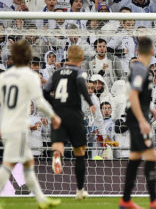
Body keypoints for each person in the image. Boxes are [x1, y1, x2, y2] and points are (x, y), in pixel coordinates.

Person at [0, 39, 61, 209]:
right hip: (19, 128)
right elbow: (40, 102)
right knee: (8, 165)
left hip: (7, 127)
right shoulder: (30, 76)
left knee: (28, 163)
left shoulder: (4, 76)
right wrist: (54, 116)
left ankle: (42, 200)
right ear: (28, 57)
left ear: (12, 57)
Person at [119, 37, 156, 209]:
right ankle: (153, 200)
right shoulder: (140, 70)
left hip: (137, 115)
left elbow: (137, 95)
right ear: (152, 51)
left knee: (135, 157)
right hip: (137, 118)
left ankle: (126, 200)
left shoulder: (139, 69)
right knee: (151, 155)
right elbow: (133, 95)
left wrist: (150, 108)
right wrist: (142, 120)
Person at [43, 45, 96, 200]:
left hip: (58, 113)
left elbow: (45, 91)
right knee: (80, 153)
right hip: (74, 113)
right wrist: (90, 102)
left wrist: (53, 104)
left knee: (58, 143)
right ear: (81, 59)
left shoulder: (57, 73)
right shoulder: (79, 72)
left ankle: (57, 156)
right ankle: (80, 190)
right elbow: (80, 85)